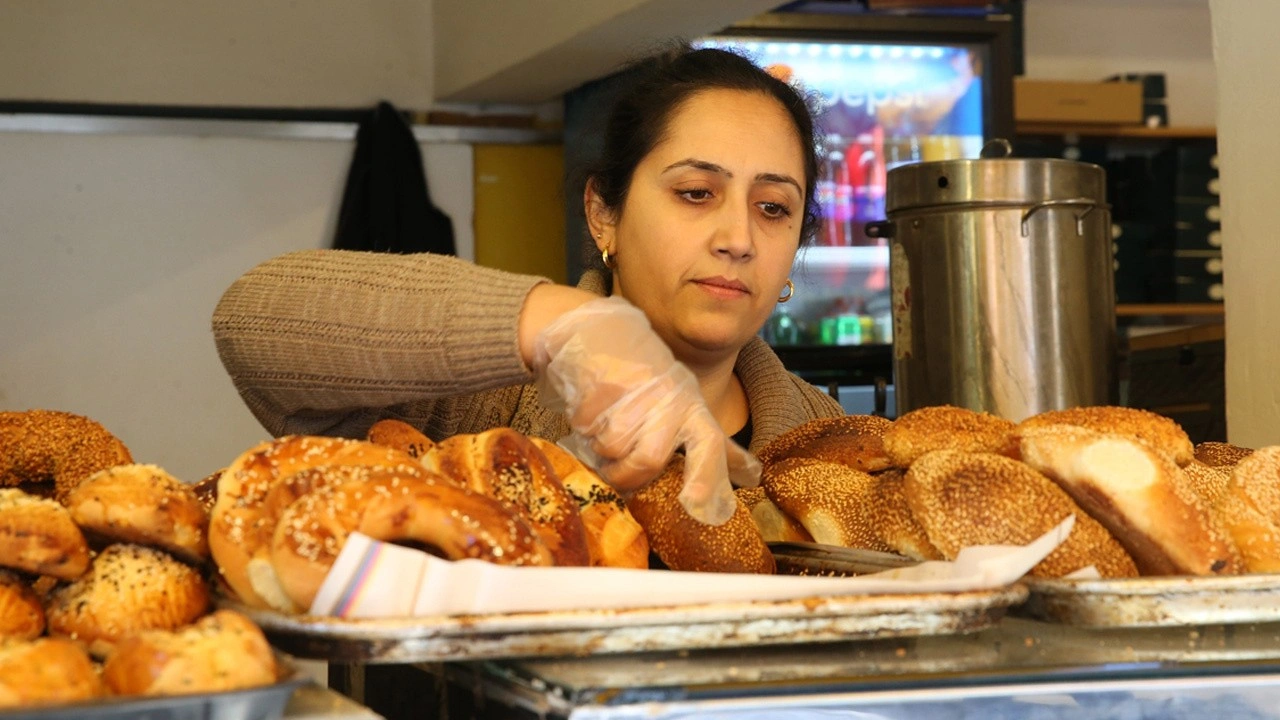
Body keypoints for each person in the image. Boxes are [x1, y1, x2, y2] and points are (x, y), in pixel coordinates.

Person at [211, 43, 844, 526]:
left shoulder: (831, 443)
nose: (738, 237)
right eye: (695, 193)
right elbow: (251, 320)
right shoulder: (485, 403)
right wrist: (564, 325)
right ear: (604, 215)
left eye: (772, 208)